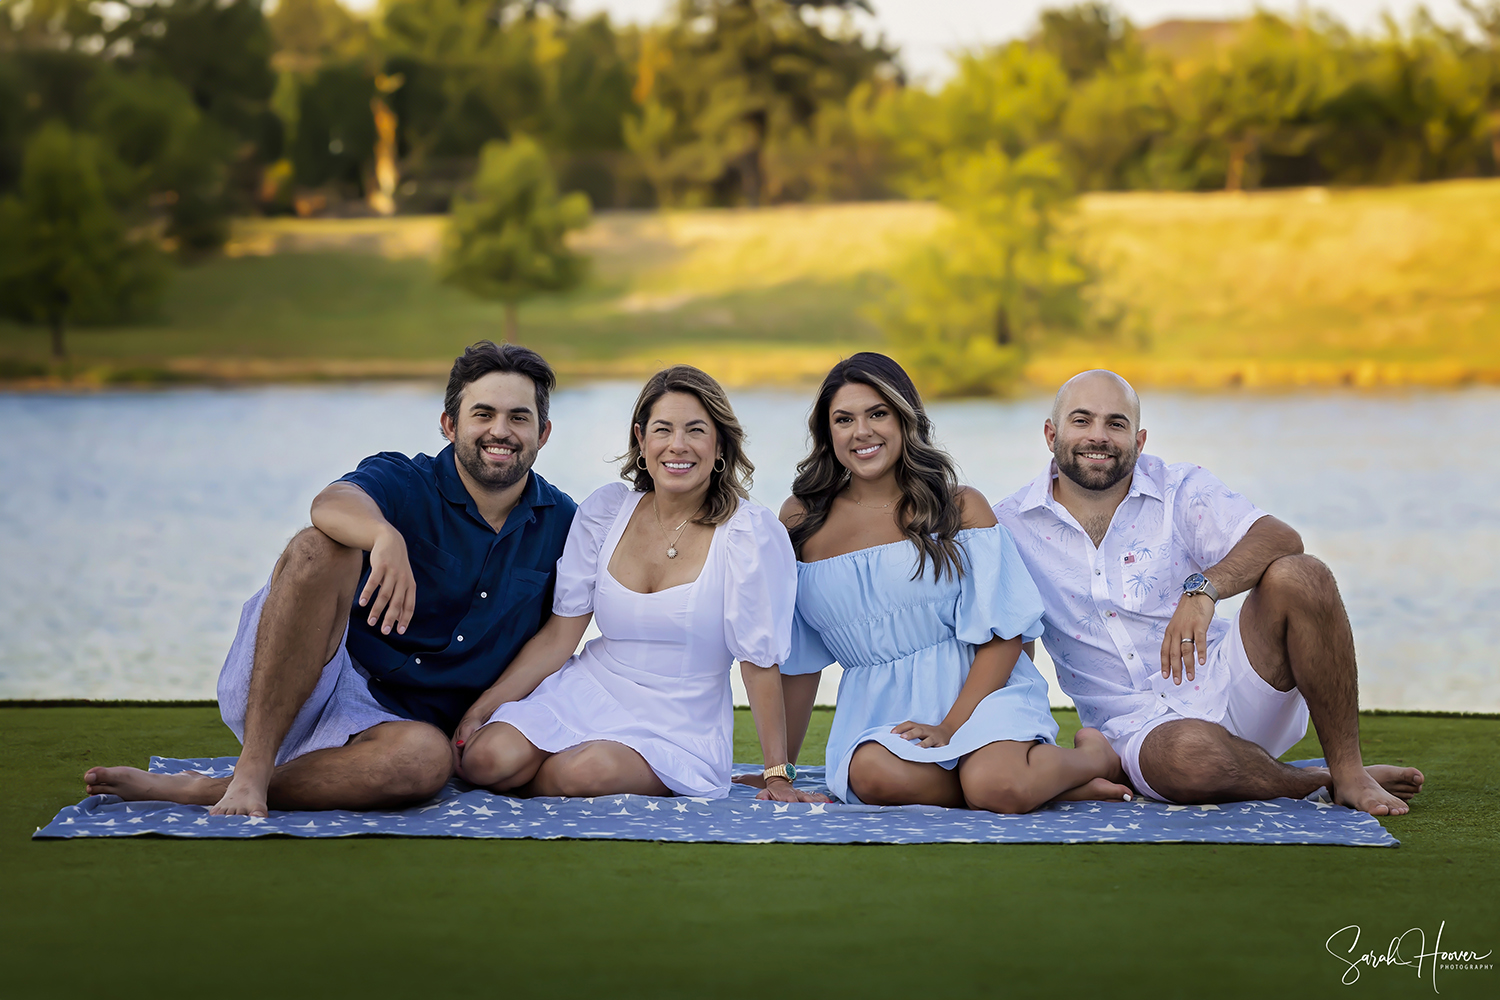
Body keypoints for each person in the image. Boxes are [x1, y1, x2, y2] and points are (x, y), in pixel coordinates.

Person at [83, 341, 576, 817]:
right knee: (320, 546)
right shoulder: (404, 479)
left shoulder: (566, 523)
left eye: (519, 417)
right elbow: (330, 504)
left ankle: (201, 790)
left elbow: (569, 629)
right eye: (483, 414)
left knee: (426, 763)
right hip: (314, 679)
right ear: (450, 425)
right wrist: (384, 536)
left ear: (544, 433)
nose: (501, 431)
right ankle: (251, 769)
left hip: (409, 730)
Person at [993, 369, 1425, 815]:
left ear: (1139, 442)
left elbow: (1281, 537)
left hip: (1230, 681)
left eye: (1116, 424)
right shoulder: (1009, 526)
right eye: (1081, 421)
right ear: (1051, 434)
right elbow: (1011, 646)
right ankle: (1315, 781)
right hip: (1138, 734)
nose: (1098, 437)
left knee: (1302, 575)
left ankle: (1352, 773)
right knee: (1188, 757)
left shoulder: (1180, 487)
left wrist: (1203, 591)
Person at [772, 353, 1133, 811]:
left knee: (995, 785)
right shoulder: (801, 519)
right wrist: (779, 770)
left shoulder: (959, 507)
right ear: (828, 433)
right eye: (844, 419)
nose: (862, 431)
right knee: (870, 775)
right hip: (881, 713)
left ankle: (1090, 759)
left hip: (982, 694)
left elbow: (1007, 636)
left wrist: (950, 727)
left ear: (906, 420)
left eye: (878, 414)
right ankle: (1045, 783)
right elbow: (800, 662)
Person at [452, 366, 825, 802]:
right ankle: (527, 774)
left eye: (696, 430)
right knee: (486, 758)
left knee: (583, 773)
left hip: (679, 718)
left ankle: (544, 780)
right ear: (641, 440)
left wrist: (776, 773)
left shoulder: (748, 533)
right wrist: (484, 708)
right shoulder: (606, 512)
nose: (677, 445)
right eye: (662, 429)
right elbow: (559, 636)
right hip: (590, 688)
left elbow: (758, 662)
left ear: (719, 444)